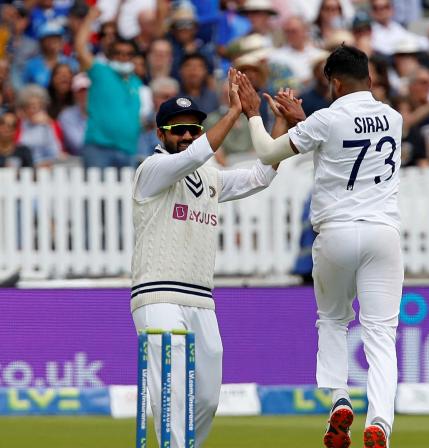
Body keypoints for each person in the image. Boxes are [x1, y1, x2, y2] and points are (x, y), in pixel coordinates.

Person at [241, 44, 403, 448]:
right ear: (369, 78)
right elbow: (345, 140)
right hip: (383, 234)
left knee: (333, 321)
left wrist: (252, 115)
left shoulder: (327, 120)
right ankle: (379, 423)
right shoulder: (394, 118)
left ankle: (340, 400)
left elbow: (267, 151)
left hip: (337, 234)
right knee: (381, 335)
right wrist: (306, 123)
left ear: (333, 82)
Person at [131, 68, 279, 448]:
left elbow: (259, 177)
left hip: (200, 297)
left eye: (193, 129)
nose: (186, 136)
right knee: (172, 395)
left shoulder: (210, 177)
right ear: (160, 134)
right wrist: (233, 113)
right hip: (159, 294)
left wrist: (277, 125)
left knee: (208, 397)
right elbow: (194, 156)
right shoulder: (152, 170)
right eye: (177, 129)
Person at [76, 7, 143, 168]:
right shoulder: (100, 71)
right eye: (119, 53)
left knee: (126, 194)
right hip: (99, 148)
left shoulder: (136, 81)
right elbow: (79, 47)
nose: (123, 57)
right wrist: (90, 18)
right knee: (94, 193)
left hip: (129, 149)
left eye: (128, 54)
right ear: (110, 55)